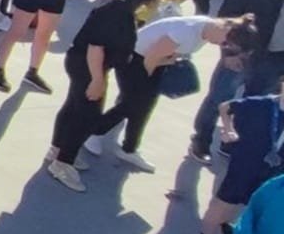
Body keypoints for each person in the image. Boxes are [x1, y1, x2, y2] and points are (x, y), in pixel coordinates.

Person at [84, 13, 256, 177]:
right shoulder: (186, 31)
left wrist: (169, 62)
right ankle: (93, 132)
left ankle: (129, 148)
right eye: (225, 43)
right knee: (133, 103)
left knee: (145, 106)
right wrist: (146, 83)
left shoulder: (207, 29)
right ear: (225, 29)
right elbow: (150, 59)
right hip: (134, 58)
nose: (222, 47)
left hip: (155, 62)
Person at [46, 0, 167, 191]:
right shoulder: (117, 11)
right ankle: (63, 163)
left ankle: (58, 149)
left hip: (84, 63)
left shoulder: (121, 7)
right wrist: (97, 80)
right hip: (89, 66)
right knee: (87, 116)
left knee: (74, 107)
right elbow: (96, 46)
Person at [191, 0, 284, 163]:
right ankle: (201, 140)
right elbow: (227, 19)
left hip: (276, 58)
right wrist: (229, 53)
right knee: (220, 97)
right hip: (243, 52)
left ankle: (231, 141)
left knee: (253, 103)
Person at [191, 85, 283, 234]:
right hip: (245, 164)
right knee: (224, 203)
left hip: (269, 169)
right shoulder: (262, 104)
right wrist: (228, 129)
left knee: (245, 204)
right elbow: (225, 107)